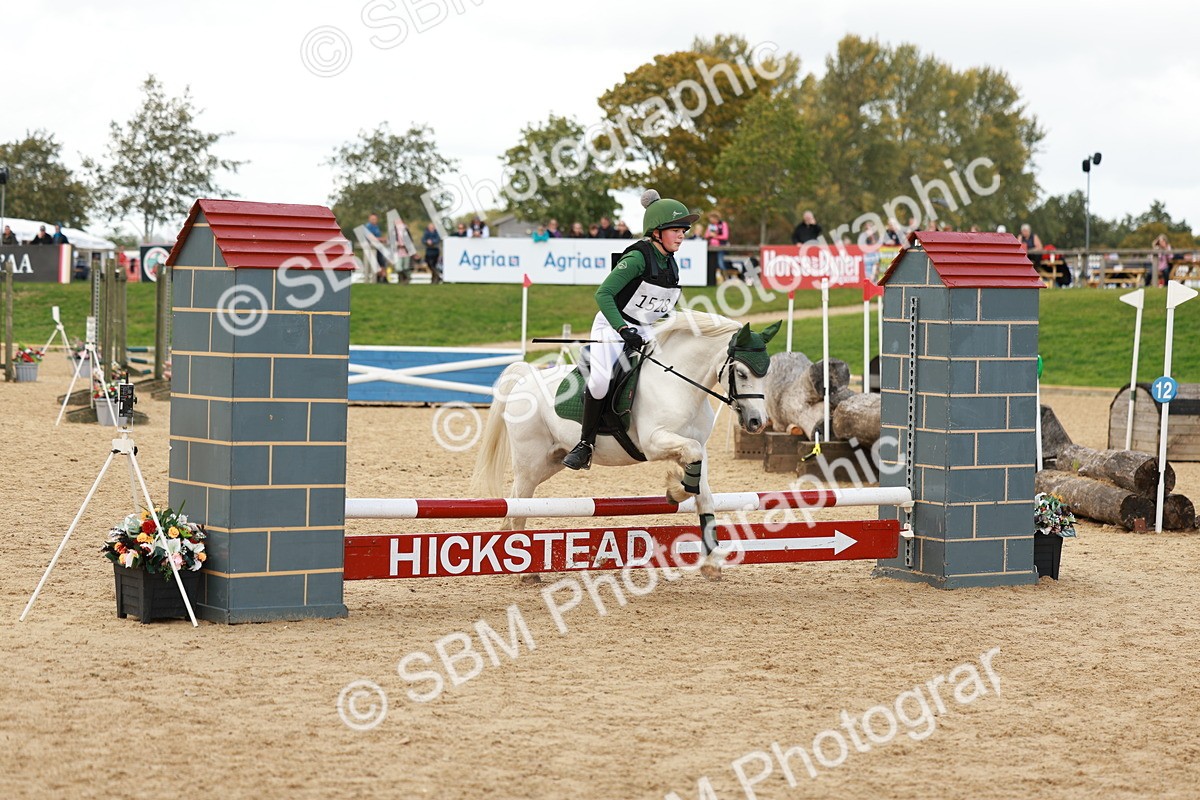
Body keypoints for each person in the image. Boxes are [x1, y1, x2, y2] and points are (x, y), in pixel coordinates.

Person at [561, 189, 698, 470]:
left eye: (684, 229)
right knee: (600, 380)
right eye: (676, 229)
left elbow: (662, 305)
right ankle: (585, 444)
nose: (682, 234)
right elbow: (604, 294)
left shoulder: (671, 264)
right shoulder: (637, 258)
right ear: (657, 232)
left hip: (644, 328)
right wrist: (622, 329)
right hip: (613, 325)